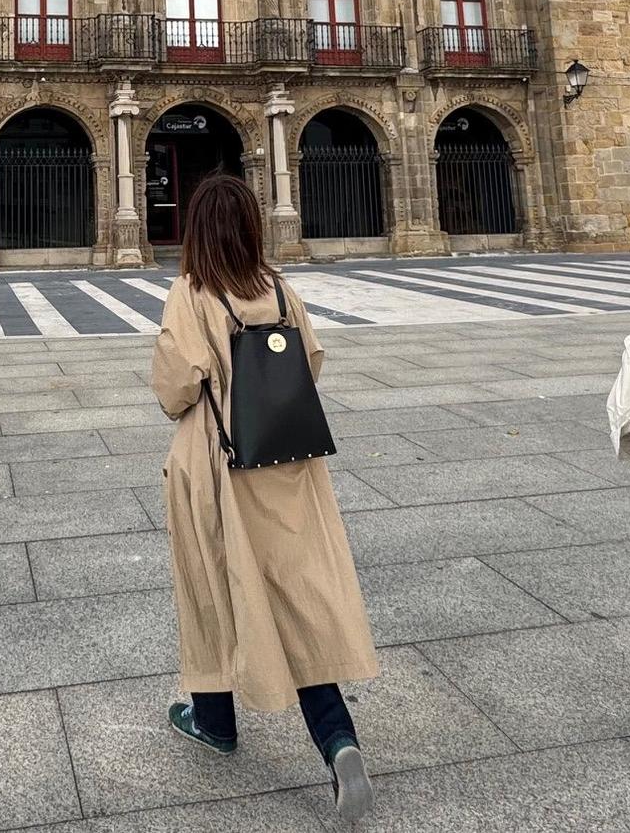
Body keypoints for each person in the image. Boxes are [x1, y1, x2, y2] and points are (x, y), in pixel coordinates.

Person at [150, 173, 380, 824]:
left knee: (213, 585)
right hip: (287, 465)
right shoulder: (279, 289)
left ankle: (214, 720)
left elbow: (175, 388)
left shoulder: (192, 292)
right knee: (294, 598)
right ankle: (336, 738)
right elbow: (309, 364)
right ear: (253, 227)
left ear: (196, 231)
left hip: (219, 465)